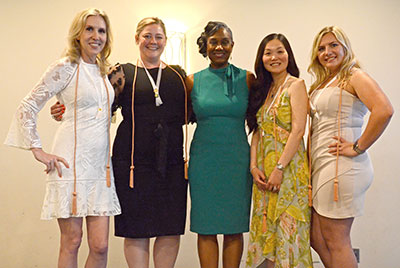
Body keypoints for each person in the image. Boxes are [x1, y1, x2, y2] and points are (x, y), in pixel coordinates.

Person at [52, 17, 188, 268]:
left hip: (171, 164)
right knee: (136, 229)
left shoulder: (178, 76)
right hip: (133, 165)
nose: (153, 41)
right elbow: (95, 103)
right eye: (147, 35)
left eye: (158, 36)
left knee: (170, 228)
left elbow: (195, 113)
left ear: (166, 41)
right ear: (137, 39)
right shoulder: (121, 73)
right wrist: (63, 108)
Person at [5, 8, 121, 268]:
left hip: (100, 166)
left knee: (101, 246)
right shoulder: (65, 67)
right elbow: (28, 106)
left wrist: (65, 109)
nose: (95, 35)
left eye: (101, 30)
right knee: (72, 241)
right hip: (70, 162)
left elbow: (100, 111)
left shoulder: (106, 71)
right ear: (78, 34)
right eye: (89, 29)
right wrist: (38, 149)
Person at [308, 26, 393, 268]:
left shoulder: (354, 76)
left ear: (345, 47)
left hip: (342, 169)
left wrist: (357, 147)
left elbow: (384, 110)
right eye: (321, 48)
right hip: (323, 166)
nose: (327, 52)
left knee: (337, 240)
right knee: (317, 237)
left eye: (333, 45)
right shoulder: (324, 82)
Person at [186, 21, 254, 268]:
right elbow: (176, 117)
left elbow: (263, 117)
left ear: (232, 45)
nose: (219, 47)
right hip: (204, 161)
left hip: (236, 161)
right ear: (206, 45)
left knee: (234, 227)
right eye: (214, 41)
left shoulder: (247, 78)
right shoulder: (192, 81)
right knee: (206, 227)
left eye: (224, 41)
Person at [245, 33, 312, 268]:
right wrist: (253, 167)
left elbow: (298, 131)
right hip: (264, 174)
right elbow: (257, 131)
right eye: (268, 52)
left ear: (288, 55)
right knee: (266, 233)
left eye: (279, 51)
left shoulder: (296, 85)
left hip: (289, 172)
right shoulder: (263, 89)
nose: (274, 57)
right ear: (261, 58)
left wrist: (280, 168)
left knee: (289, 232)